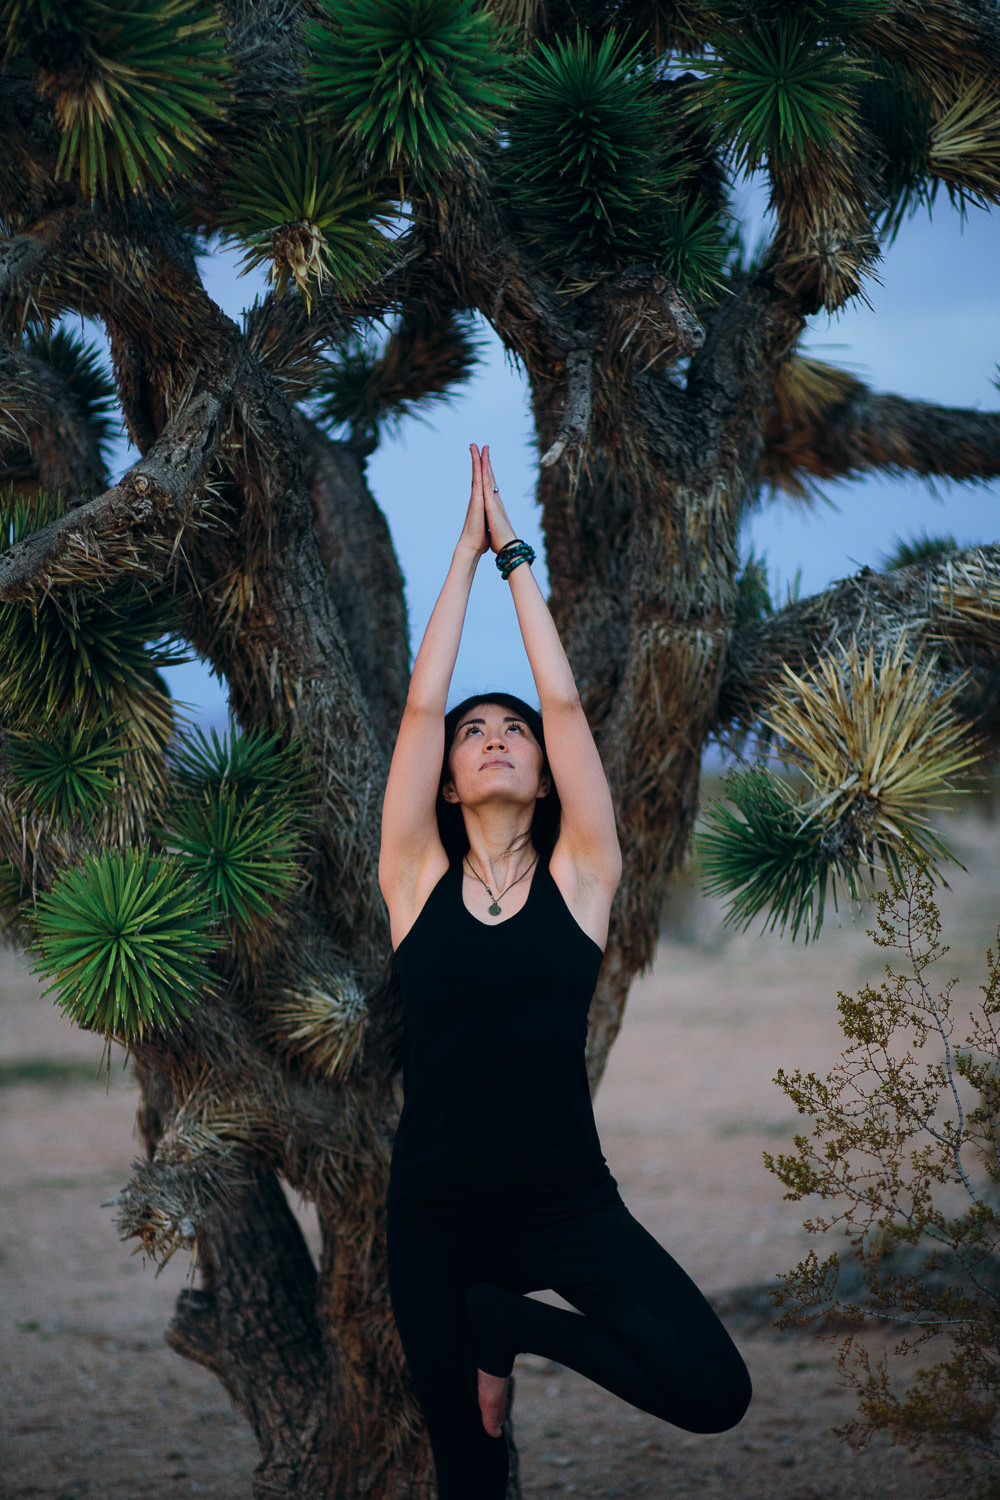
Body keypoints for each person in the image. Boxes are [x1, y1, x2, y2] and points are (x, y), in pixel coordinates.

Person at [378, 444, 751, 1498]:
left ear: (544, 777)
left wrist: (514, 562)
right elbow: (417, 708)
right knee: (467, 1470)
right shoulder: (411, 877)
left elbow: (572, 709)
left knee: (713, 1391)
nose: (492, 738)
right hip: (435, 1212)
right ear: (448, 784)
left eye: (513, 733)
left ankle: (511, 1323)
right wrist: (458, 552)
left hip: (565, 1205)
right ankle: (485, 1323)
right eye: (473, 735)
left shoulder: (585, 875)